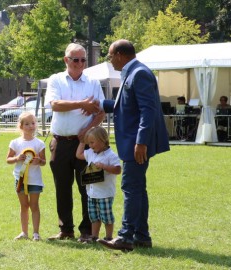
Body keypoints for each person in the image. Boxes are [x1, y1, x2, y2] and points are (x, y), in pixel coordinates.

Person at [92, 39, 170, 251]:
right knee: (138, 189)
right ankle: (141, 236)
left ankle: (125, 237)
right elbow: (125, 106)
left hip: (136, 143)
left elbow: (148, 110)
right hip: (133, 142)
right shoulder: (133, 72)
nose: (110, 61)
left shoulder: (139, 73)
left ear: (119, 54)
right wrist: (99, 104)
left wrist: (141, 142)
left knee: (131, 188)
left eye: (109, 56)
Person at [44, 43, 106, 242]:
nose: (80, 63)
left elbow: (101, 111)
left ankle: (87, 232)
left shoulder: (93, 83)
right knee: (62, 189)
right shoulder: (56, 80)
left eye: (83, 60)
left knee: (88, 188)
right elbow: (55, 105)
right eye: (75, 59)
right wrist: (83, 104)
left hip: (87, 145)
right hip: (60, 143)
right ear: (66, 60)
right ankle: (66, 229)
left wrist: (87, 132)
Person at [75, 126, 121, 244]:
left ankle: (109, 237)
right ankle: (94, 237)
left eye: (92, 142)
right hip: (92, 192)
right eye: (88, 143)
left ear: (102, 140)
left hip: (105, 193)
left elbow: (117, 170)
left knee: (106, 217)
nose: (90, 145)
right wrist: (81, 142)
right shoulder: (91, 153)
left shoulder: (111, 155)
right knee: (94, 217)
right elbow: (79, 154)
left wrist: (104, 167)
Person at [6, 111, 46, 241]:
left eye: (33, 123)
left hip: (35, 180)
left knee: (34, 205)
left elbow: (44, 162)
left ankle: (36, 233)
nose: (31, 126)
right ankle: (24, 232)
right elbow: (8, 159)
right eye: (27, 124)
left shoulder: (39, 144)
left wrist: (38, 161)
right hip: (20, 179)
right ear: (21, 126)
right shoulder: (15, 142)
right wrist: (17, 158)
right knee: (24, 206)